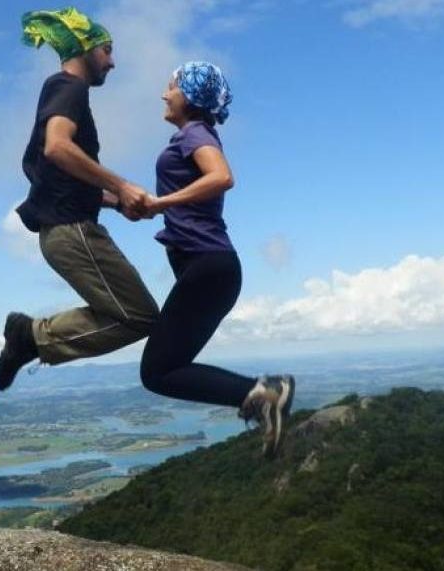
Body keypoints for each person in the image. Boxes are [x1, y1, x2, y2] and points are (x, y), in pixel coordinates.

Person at [0, 7, 159, 391]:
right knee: (140, 316)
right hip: (73, 232)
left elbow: (60, 175)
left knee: (136, 315)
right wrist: (121, 186)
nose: (112, 61)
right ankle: (29, 336)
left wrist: (114, 203)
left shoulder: (62, 91)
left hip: (66, 230)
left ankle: (30, 337)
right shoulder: (69, 87)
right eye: (107, 50)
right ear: (85, 47)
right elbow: (57, 148)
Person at [140, 62, 296, 458]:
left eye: (171, 86)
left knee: (158, 371)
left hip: (209, 266)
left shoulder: (194, 132)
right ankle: (262, 397)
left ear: (190, 95)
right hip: (211, 269)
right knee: (167, 367)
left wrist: (160, 203)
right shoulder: (193, 134)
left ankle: (264, 392)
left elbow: (221, 176)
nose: (164, 93)